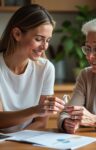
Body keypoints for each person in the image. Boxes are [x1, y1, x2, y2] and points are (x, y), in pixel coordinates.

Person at [0, 4, 65, 133]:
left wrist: (16, 142)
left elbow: (41, 123)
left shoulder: (46, 68)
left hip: (25, 142)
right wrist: (36, 110)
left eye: (48, 40)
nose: (45, 46)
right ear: (17, 34)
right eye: (38, 39)